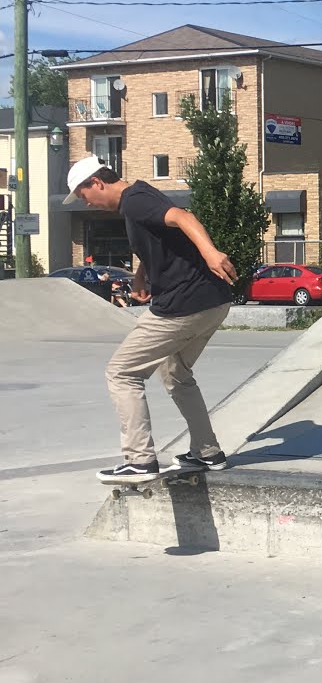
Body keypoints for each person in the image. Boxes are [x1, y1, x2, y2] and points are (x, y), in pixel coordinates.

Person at [64, 155, 237, 483]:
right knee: (175, 373)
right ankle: (208, 451)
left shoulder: (135, 202)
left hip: (182, 305)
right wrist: (142, 276)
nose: (89, 203)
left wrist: (211, 252)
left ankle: (139, 459)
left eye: (86, 196)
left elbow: (184, 218)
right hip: (212, 301)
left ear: (96, 182)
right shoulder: (141, 194)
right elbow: (160, 239)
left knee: (122, 372)